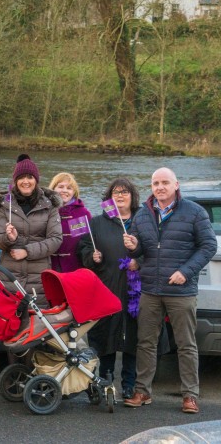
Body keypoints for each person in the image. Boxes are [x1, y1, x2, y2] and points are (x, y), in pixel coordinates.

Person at [124, 168, 216, 414]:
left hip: (181, 290)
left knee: (186, 344)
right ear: (151, 187)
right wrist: (133, 247)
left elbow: (208, 246)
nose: (160, 187)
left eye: (165, 182)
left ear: (176, 185)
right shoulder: (142, 215)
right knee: (145, 343)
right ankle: (142, 391)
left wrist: (186, 271)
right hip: (151, 290)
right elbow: (138, 251)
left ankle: (190, 396)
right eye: (155, 183)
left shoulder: (194, 212)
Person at [77, 178, 141, 400]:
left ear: (132, 197)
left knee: (132, 339)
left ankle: (129, 384)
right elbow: (84, 247)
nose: (120, 196)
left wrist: (138, 259)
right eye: (116, 192)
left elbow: (152, 249)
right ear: (109, 198)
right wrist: (91, 257)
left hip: (134, 291)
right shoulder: (96, 223)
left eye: (125, 192)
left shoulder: (142, 220)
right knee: (106, 338)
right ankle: (105, 380)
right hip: (107, 288)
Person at [0, 154, 63, 309]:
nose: (26, 181)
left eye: (30, 177)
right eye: (21, 177)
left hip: (38, 279)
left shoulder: (49, 205)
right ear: (15, 181)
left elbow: (56, 239)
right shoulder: (5, 205)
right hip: (9, 277)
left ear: (36, 180)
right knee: (9, 325)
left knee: (37, 327)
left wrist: (26, 251)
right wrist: (9, 238)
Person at [49, 172, 92, 273]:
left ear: (74, 192)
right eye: (60, 187)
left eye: (69, 188)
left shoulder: (82, 213)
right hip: (49, 266)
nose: (64, 191)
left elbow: (86, 243)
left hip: (74, 268)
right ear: (53, 189)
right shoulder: (45, 210)